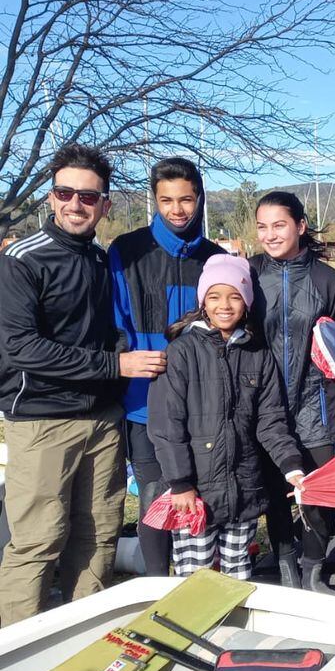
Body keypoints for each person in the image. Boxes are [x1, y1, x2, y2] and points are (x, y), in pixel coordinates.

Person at [0, 144, 166, 624]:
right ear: (51, 198)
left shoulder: (100, 260)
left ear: (105, 205)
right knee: (37, 539)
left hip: (101, 419)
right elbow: (22, 348)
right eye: (65, 192)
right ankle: (15, 652)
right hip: (42, 420)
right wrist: (118, 367)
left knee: (98, 535)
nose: (76, 204)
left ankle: (83, 634)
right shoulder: (22, 260)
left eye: (88, 197)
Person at [148, 255, 306, 581]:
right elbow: (167, 425)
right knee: (194, 579)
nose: (225, 305)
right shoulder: (181, 352)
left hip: (244, 491)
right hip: (195, 495)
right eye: (215, 296)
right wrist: (181, 484)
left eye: (235, 296)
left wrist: (291, 464)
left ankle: (232, 629)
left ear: (246, 304)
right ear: (203, 302)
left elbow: (271, 418)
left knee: (237, 577)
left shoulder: (257, 354)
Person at [109, 157, 223, 576]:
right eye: (166, 200)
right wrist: (128, 361)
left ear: (200, 199)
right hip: (145, 404)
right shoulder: (127, 251)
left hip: (204, 402)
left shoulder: (214, 258)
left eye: (186, 199)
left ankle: (203, 579)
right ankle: (156, 583)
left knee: (201, 491)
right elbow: (117, 319)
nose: (177, 209)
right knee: (156, 495)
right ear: (154, 200)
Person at [251, 191, 335, 594]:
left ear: (300, 226)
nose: (270, 235)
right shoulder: (250, 273)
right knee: (274, 492)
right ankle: (286, 563)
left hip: (315, 404)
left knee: (317, 493)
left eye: (279, 225)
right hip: (265, 402)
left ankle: (313, 568)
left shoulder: (327, 279)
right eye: (262, 227)